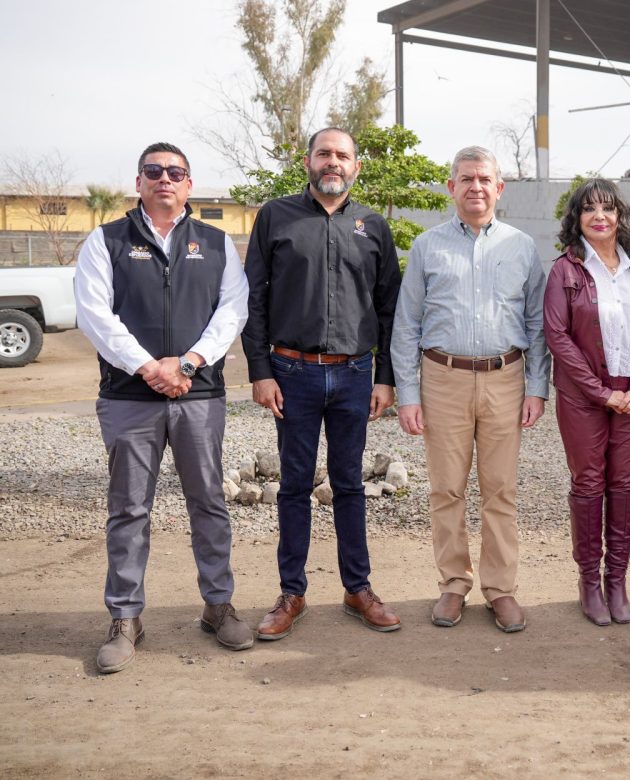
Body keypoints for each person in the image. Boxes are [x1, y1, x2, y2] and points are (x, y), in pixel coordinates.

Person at [75, 142, 252, 673]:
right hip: (130, 398)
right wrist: (150, 367)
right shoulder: (105, 241)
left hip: (199, 396)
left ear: (189, 185)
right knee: (128, 510)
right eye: (154, 171)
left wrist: (190, 363)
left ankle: (217, 606)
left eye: (176, 172)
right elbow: (94, 315)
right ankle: (126, 619)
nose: (165, 180)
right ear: (139, 181)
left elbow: (232, 310)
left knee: (210, 505)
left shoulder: (217, 244)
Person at [242, 127, 403, 639]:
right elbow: (254, 300)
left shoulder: (373, 225)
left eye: (342, 155)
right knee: (293, 485)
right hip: (292, 373)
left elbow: (389, 308)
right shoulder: (276, 216)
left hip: (356, 374)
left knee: (349, 483)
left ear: (356, 166)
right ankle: (292, 593)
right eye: (324, 154)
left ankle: (358, 588)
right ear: (307, 162)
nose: (332, 162)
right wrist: (260, 370)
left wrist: (385, 378)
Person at [392, 146, 549, 633]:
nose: (475, 187)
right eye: (466, 179)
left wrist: (537, 387)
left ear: (499, 188)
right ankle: (453, 585)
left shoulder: (522, 247)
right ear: (451, 187)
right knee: (446, 488)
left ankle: (501, 590)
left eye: (484, 179)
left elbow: (538, 324)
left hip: (506, 377)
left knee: (501, 490)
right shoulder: (427, 247)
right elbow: (407, 323)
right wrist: (408, 393)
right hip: (443, 379)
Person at [543, 178, 630, 626]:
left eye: (608, 208)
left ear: (619, 217)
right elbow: (557, 336)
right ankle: (589, 583)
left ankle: (618, 581)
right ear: (577, 218)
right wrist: (602, 392)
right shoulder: (566, 271)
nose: (599, 216)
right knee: (589, 483)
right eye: (589, 208)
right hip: (584, 396)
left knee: (625, 485)